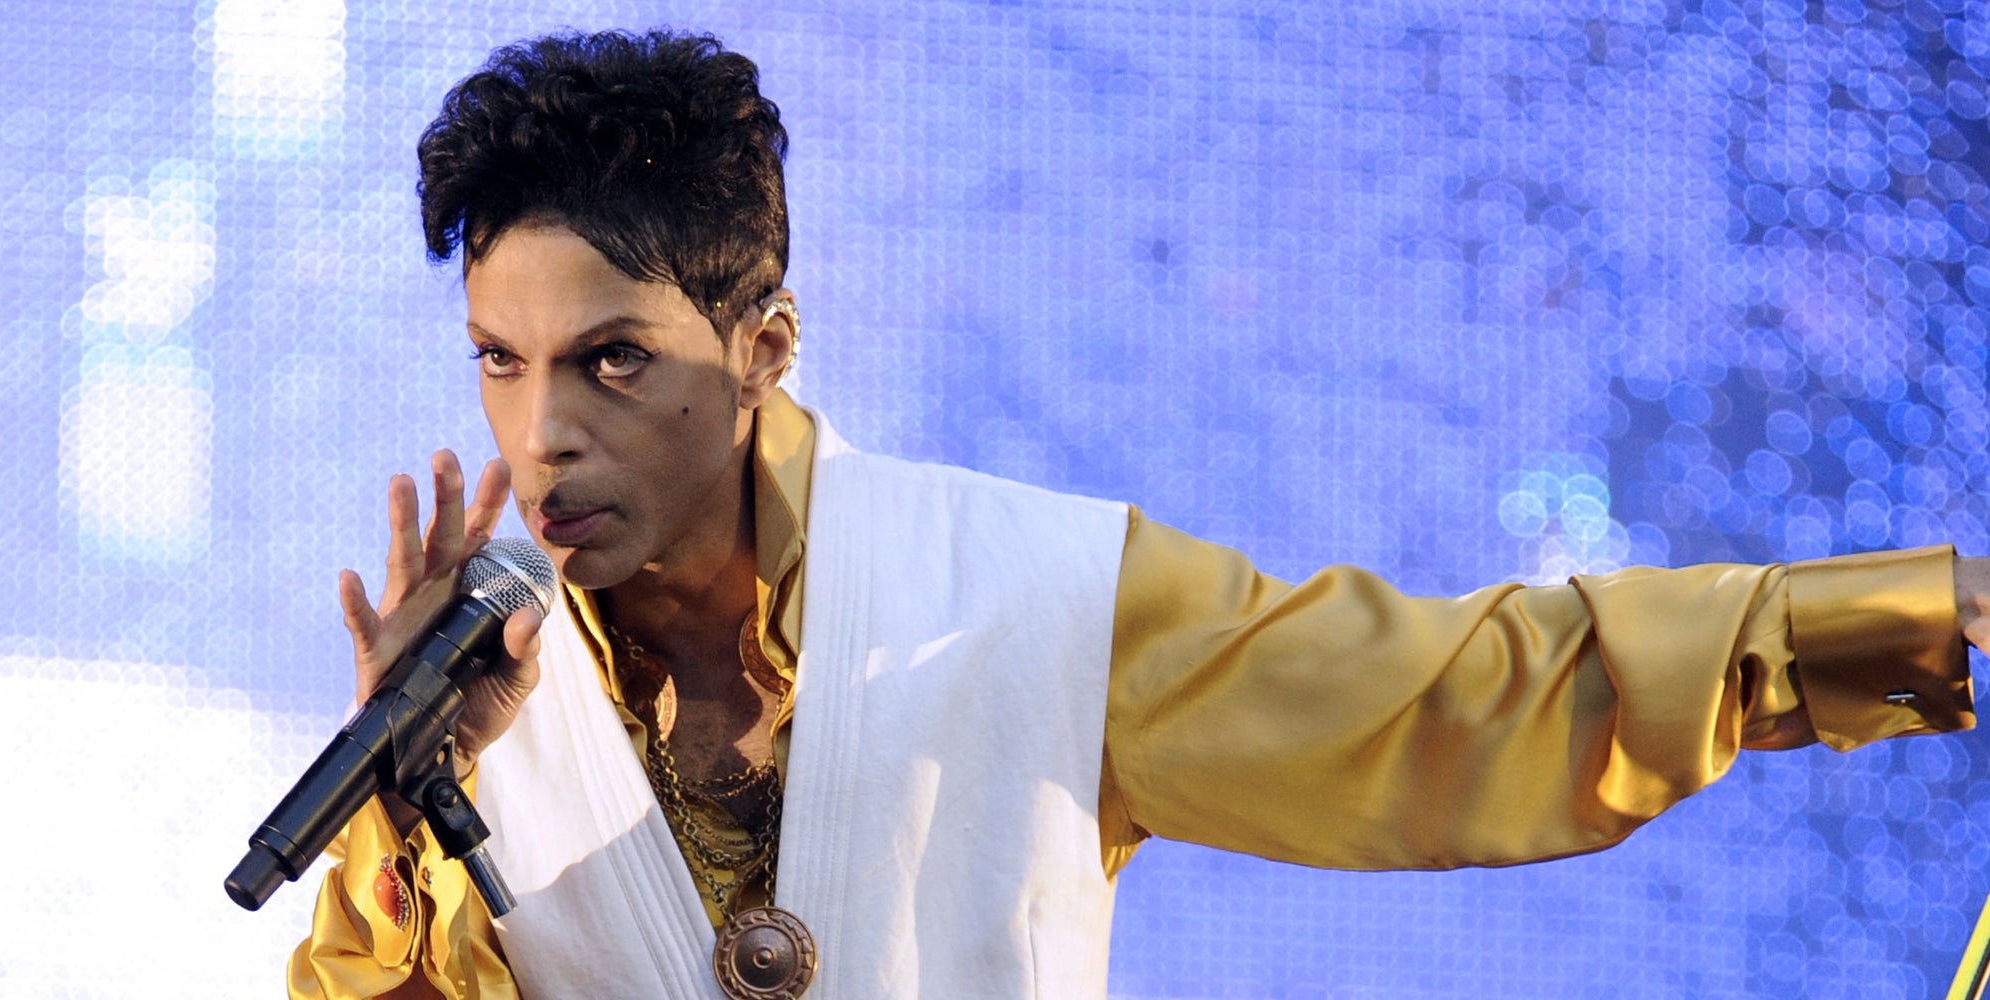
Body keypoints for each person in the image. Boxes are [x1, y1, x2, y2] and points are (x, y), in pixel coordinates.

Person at [286, 28, 1990, 1000]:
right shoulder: (467, 699)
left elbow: (1472, 692)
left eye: (610, 363)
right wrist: (401, 797)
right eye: (497, 365)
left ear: (761, 351)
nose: (544, 435)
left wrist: (1909, 632)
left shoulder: (1024, 596)